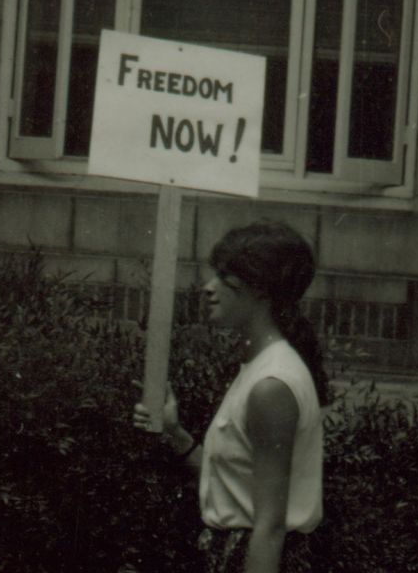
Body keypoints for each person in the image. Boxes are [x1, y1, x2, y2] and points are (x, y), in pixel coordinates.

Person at [133, 220, 329, 573]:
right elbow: (235, 490)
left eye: (225, 278)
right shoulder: (258, 367)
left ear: (261, 290)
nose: (208, 288)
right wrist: (176, 435)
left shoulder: (272, 384)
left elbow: (269, 526)